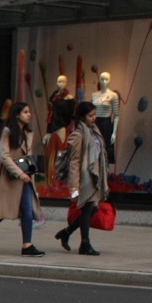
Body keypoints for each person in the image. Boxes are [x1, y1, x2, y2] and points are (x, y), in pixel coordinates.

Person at [0, 102, 45, 257]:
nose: (29, 114)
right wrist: (19, 173)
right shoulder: (7, 131)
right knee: (3, 211)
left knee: (27, 209)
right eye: (25, 112)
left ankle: (27, 245)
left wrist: (28, 172)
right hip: (10, 177)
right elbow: (5, 156)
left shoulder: (27, 132)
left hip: (25, 177)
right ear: (17, 114)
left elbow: (27, 155)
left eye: (29, 112)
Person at [56, 100, 107, 256]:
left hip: (94, 175)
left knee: (92, 209)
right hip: (84, 177)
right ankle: (85, 244)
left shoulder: (93, 130)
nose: (94, 118)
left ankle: (66, 232)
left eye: (94, 115)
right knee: (88, 208)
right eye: (90, 116)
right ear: (82, 117)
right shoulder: (78, 134)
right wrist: (74, 186)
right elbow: (74, 161)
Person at [91, 72, 119, 166]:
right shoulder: (94, 95)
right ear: (99, 80)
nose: (104, 82)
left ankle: (103, 177)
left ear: (110, 80)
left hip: (106, 125)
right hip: (94, 124)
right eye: (102, 79)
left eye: (106, 79)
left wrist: (114, 132)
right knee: (93, 151)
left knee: (104, 152)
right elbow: (91, 112)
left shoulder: (113, 95)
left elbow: (116, 115)